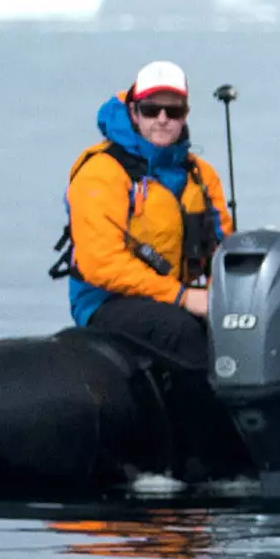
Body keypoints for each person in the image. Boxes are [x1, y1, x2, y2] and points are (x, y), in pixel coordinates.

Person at [61, 60, 231, 371]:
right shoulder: (102, 173)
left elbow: (224, 249)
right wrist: (182, 297)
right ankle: (204, 420)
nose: (163, 119)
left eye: (173, 110)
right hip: (106, 302)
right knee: (182, 332)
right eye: (152, 109)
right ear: (134, 113)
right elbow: (101, 263)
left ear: (185, 115)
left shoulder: (201, 175)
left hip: (179, 296)